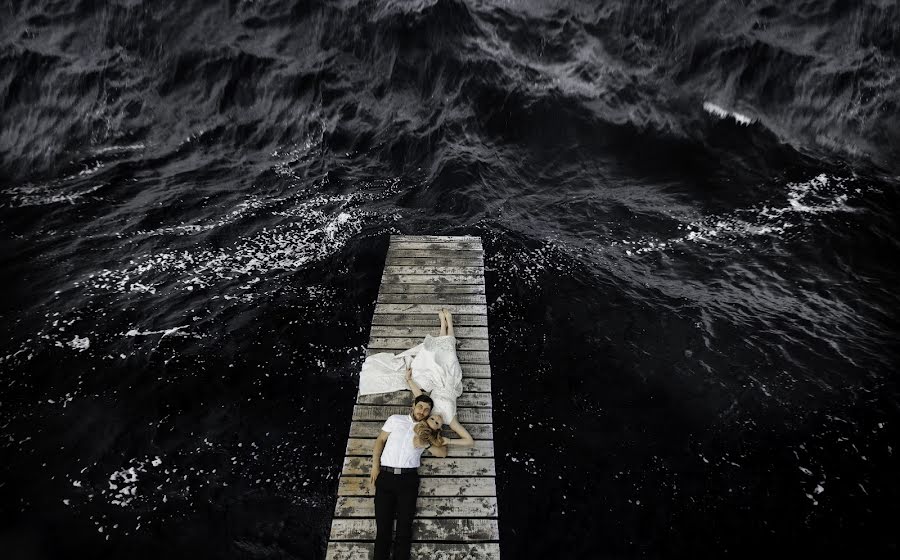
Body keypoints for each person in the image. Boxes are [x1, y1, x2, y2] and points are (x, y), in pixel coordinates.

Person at [370, 355, 474, 560]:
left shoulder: (427, 431)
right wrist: (374, 467)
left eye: (427, 410)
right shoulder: (395, 420)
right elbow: (379, 442)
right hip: (386, 477)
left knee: (404, 531)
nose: (423, 411)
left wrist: (434, 439)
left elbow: (442, 453)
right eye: (420, 407)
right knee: (383, 531)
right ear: (413, 406)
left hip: (408, 480)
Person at [359, 309, 464, 423]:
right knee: (449, 355)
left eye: (419, 411)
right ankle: (449, 323)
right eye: (423, 413)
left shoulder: (428, 411)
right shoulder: (437, 417)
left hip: (437, 380)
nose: (422, 411)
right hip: (451, 382)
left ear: (413, 408)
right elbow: (467, 440)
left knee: (435, 355)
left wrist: (409, 380)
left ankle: (443, 325)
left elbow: (420, 396)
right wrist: (445, 441)